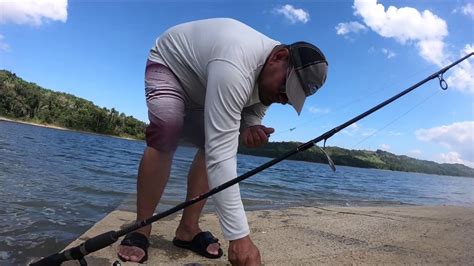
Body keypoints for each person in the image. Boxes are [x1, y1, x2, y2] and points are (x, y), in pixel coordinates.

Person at [117, 18, 328, 265]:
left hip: (207, 84)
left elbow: (254, 109)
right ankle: (141, 228)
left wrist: (250, 126)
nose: (283, 99)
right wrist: (239, 237)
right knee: (167, 129)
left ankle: (188, 229)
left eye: (291, 97)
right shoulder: (237, 61)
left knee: (212, 142)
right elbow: (222, 153)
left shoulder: (267, 78)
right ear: (278, 57)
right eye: (285, 88)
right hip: (172, 66)